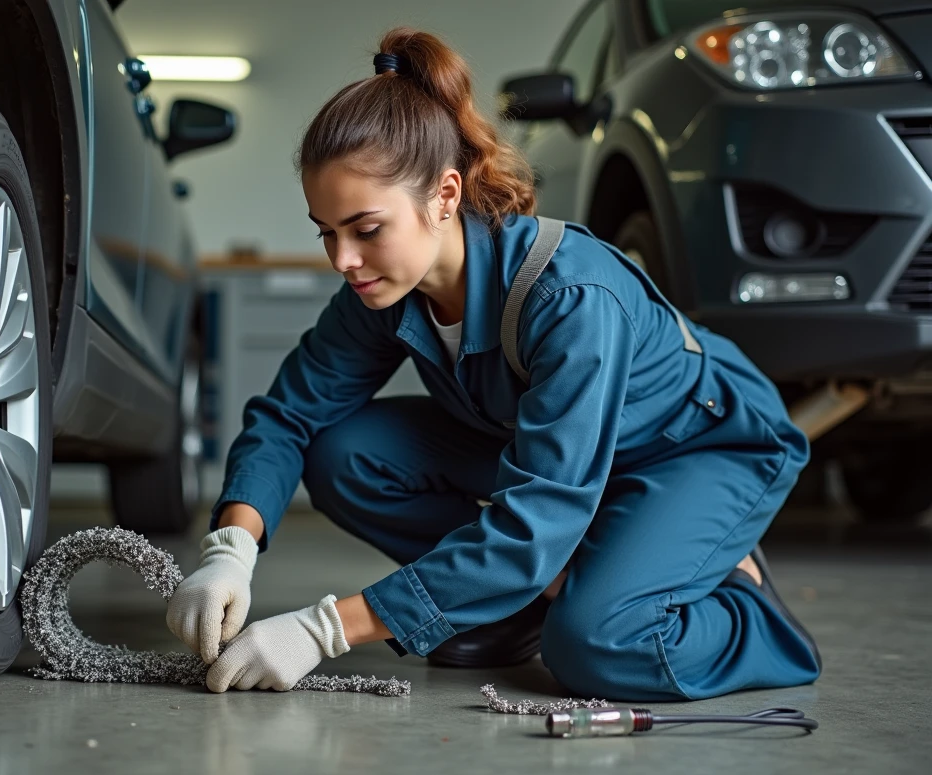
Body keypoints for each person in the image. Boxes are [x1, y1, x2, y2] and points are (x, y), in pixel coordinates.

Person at [165, 27, 822, 702]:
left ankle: (739, 602)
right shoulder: (381, 292)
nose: (344, 260)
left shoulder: (569, 298)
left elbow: (536, 518)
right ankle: (513, 609)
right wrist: (231, 550)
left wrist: (325, 629)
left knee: (598, 644)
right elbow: (289, 417)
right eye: (327, 233)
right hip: (564, 465)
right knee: (344, 452)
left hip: (694, 452)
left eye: (366, 229)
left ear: (445, 196)